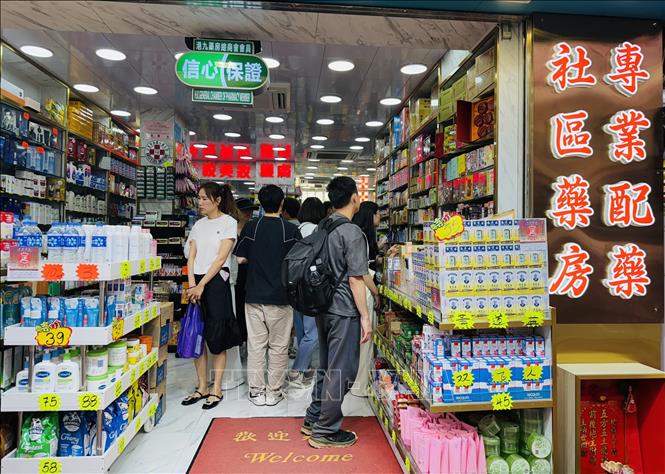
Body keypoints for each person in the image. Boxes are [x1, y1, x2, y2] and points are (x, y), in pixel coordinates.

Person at [303, 177, 371, 449]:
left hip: (323, 306)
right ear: (354, 197)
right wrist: (365, 316)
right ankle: (325, 430)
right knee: (342, 370)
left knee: (327, 364)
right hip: (343, 309)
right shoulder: (352, 232)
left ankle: (313, 418)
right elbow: (356, 278)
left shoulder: (324, 225)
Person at [234, 185, 302, 406]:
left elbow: (240, 259)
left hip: (253, 294)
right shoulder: (291, 230)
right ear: (282, 204)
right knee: (279, 346)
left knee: (256, 345)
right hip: (281, 296)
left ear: (260, 204)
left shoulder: (251, 227)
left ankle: (256, 391)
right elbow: (299, 262)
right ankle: (274, 391)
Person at [181, 183, 243, 410]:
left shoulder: (229, 223)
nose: (200, 202)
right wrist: (192, 284)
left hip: (216, 282)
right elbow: (191, 256)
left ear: (217, 200)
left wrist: (201, 285)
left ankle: (216, 388)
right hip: (195, 282)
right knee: (197, 332)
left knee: (217, 337)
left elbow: (220, 258)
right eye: (199, 198)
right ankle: (202, 386)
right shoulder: (198, 225)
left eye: (204, 198)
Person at [287, 197, 326, 389]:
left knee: (301, 330)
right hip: (311, 287)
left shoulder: (296, 229)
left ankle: (305, 367)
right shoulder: (318, 231)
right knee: (313, 333)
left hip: (295, 285)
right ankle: (297, 370)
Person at [350, 201, 382, 397]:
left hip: (356, 291)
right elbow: (362, 272)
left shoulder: (358, 234)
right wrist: (376, 292)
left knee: (359, 338)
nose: (380, 217)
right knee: (366, 338)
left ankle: (357, 381)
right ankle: (361, 385)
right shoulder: (360, 236)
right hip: (364, 290)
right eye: (378, 214)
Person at [233, 197, 258, 344]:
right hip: (234, 274)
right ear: (236, 211)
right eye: (244, 210)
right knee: (237, 305)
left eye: (250, 210)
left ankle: (248, 337)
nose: (248, 213)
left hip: (250, 274)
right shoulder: (230, 229)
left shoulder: (254, 228)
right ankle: (239, 337)